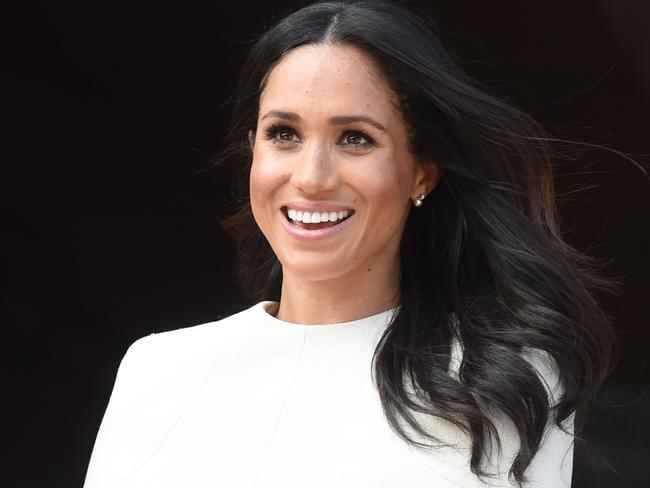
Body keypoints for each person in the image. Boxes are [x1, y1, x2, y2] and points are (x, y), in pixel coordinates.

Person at [83, 1, 613, 487]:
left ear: (421, 172)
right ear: (253, 151)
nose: (312, 177)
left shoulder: (504, 384)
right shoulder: (156, 370)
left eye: (355, 138)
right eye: (284, 133)